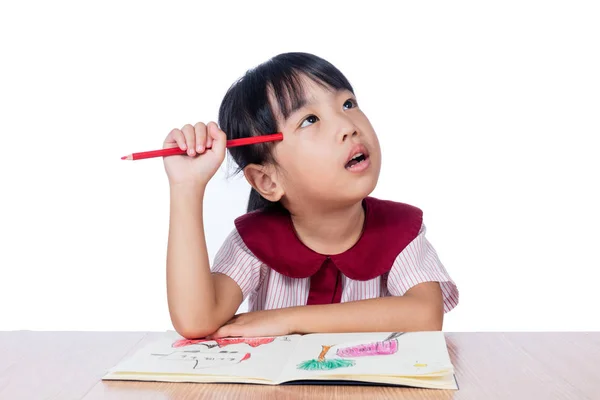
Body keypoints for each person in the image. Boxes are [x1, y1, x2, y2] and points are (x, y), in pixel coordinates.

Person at [163, 52, 459, 340]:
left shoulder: (400, 229)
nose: (348, 127)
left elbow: (426, 314)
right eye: (310, 120)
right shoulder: (254, 242)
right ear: (267, 180)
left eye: (348, 103)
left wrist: (287, 320)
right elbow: (196, 320)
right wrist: (186, 187)